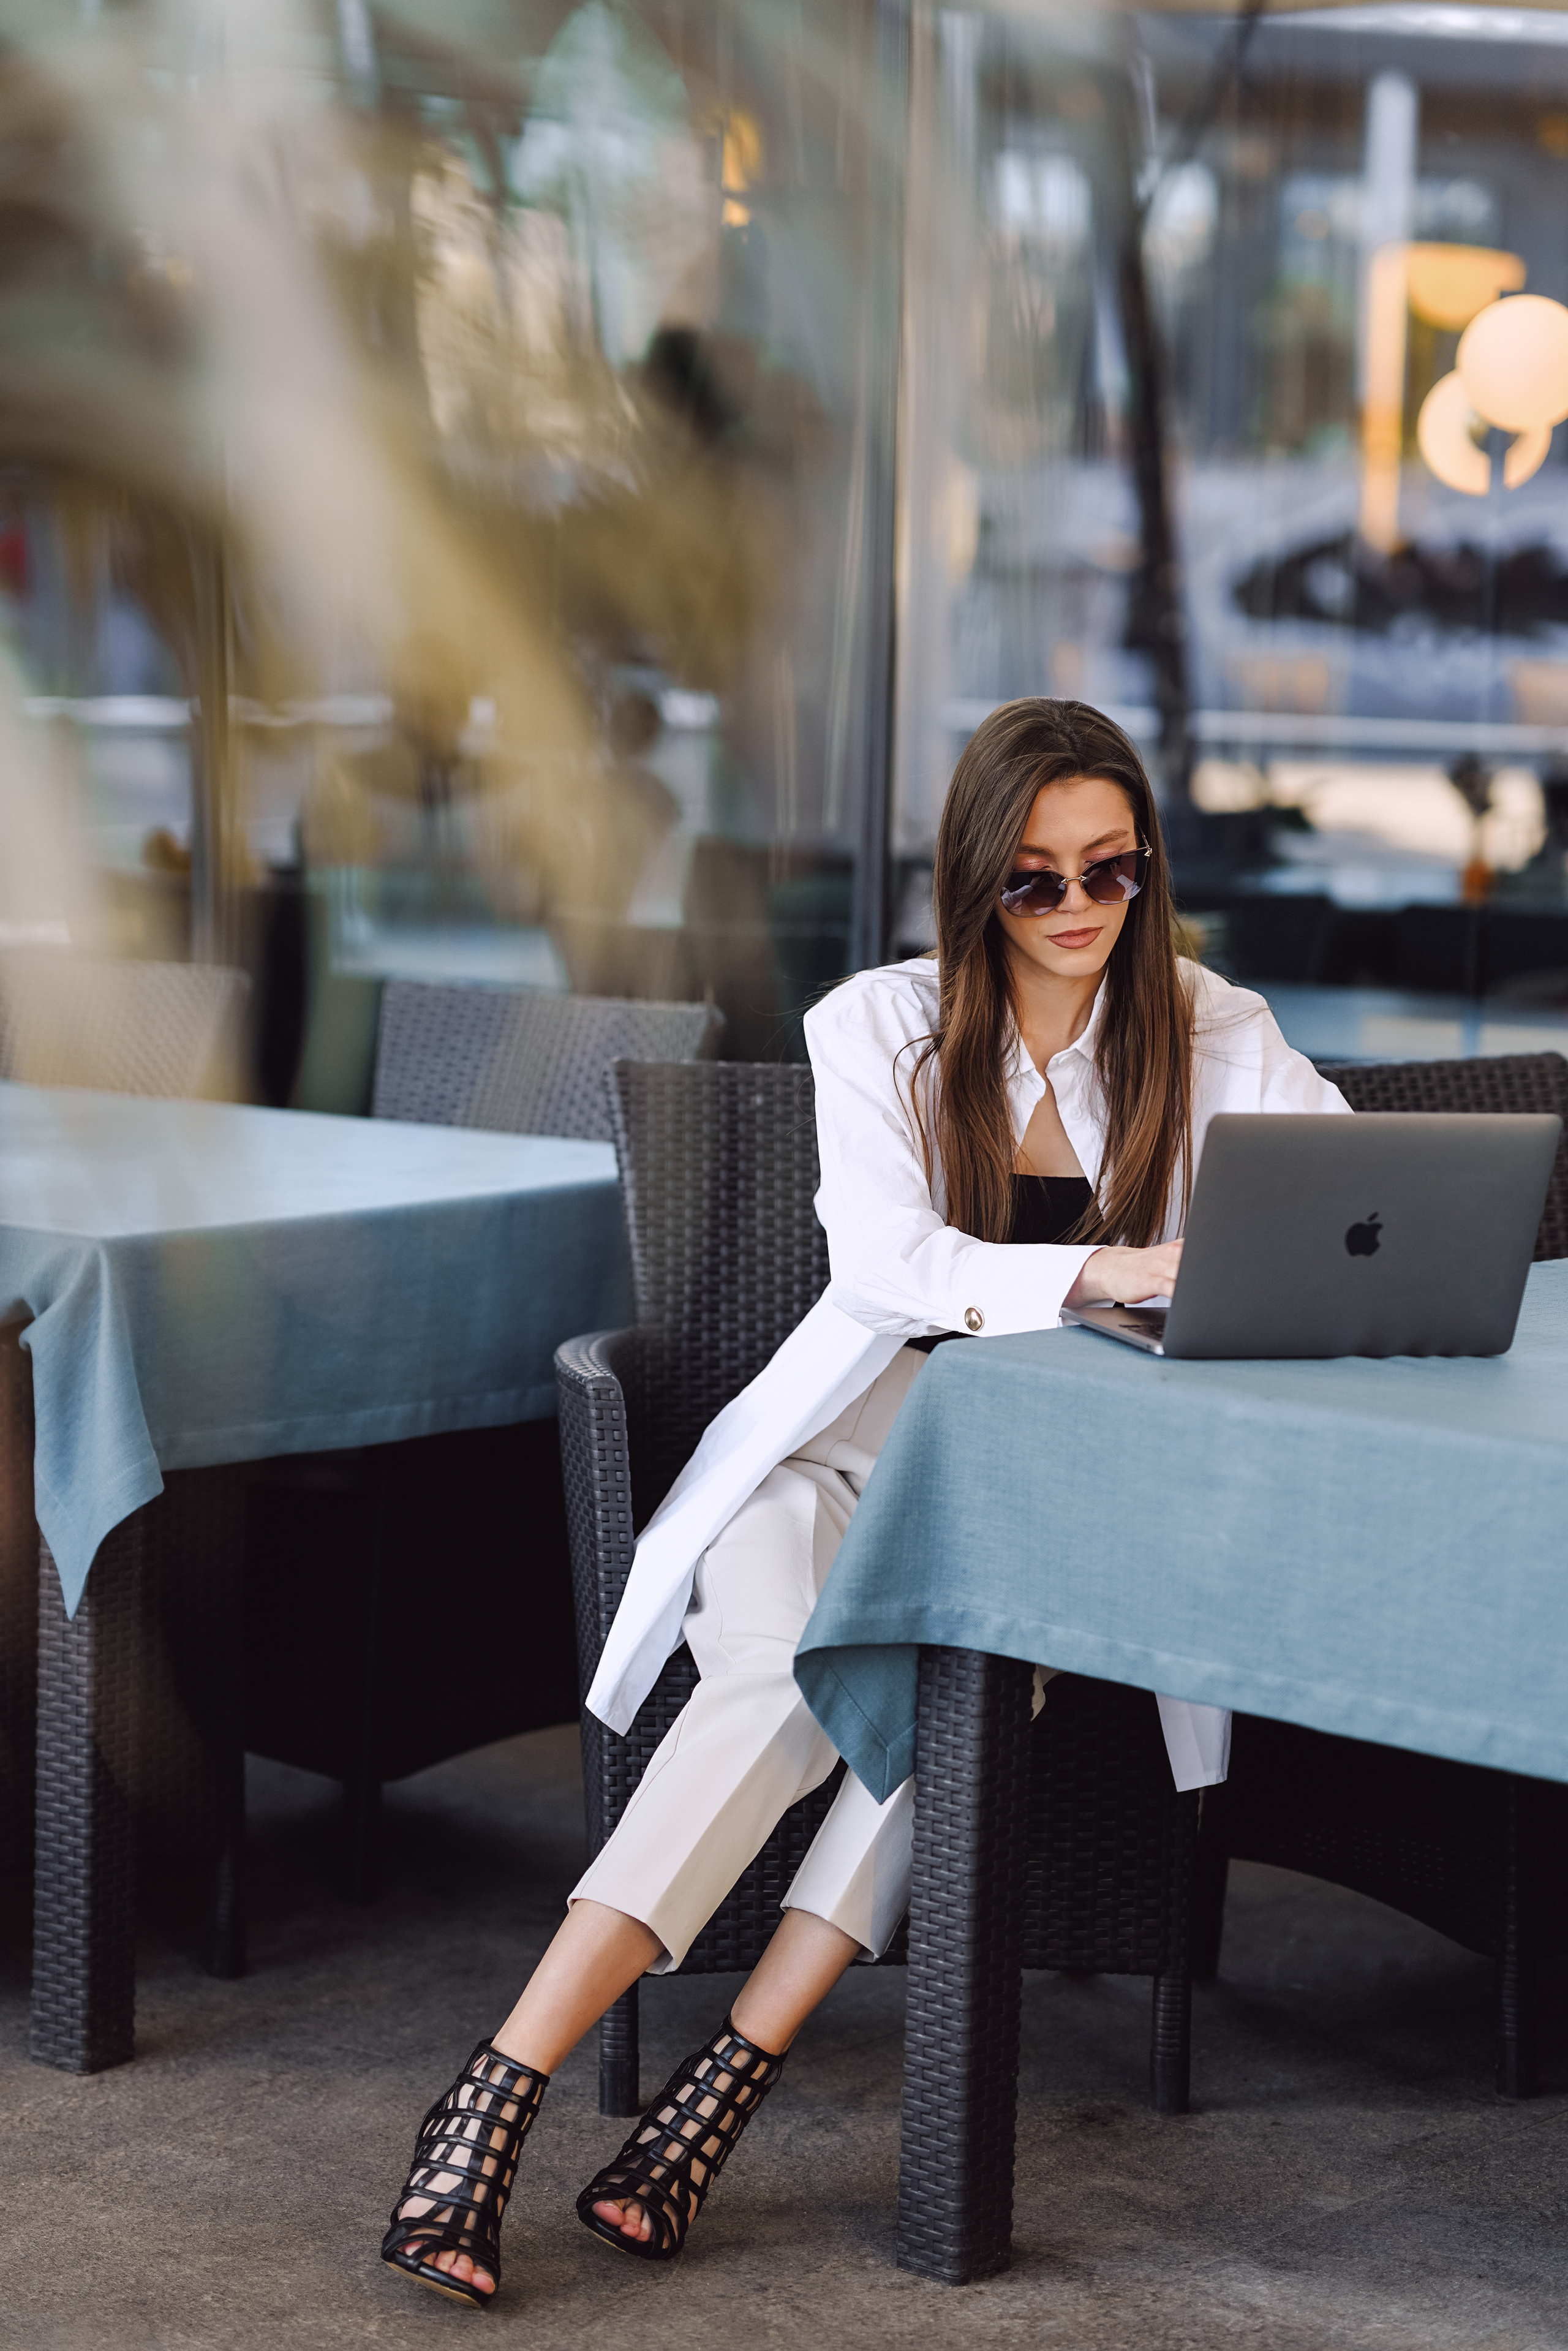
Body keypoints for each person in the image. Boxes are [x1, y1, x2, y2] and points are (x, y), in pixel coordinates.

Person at [379, 698, 1350, 2308]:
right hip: (842, 1448)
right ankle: (499, 2088)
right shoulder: (875, 1025)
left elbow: (1326, 1205)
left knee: (941, 1719)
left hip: (1043, 1491)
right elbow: (892, 1269)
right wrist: (1115, 1264)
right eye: (1034, 880)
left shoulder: (1208, 1024)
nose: (1078, 912)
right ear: (973, 882)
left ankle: (714, 2100)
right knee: (769, 1671)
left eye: (1111, 872)